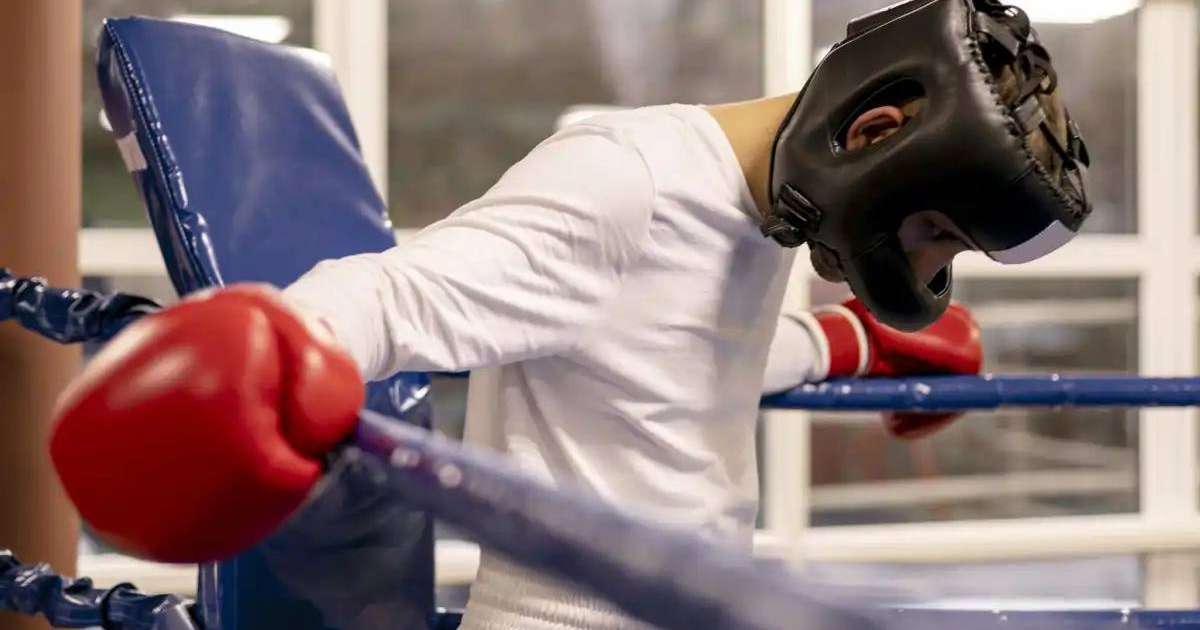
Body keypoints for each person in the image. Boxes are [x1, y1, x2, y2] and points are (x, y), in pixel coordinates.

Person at [50, 1, 1090, 629]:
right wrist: (273, 349)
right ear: (875, 132)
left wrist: (843, 341)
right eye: (940, 238)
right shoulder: (624, 181)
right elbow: (396, 292)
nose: (931, 270)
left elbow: (676, 371)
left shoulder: (763, 211)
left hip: (692, 599)